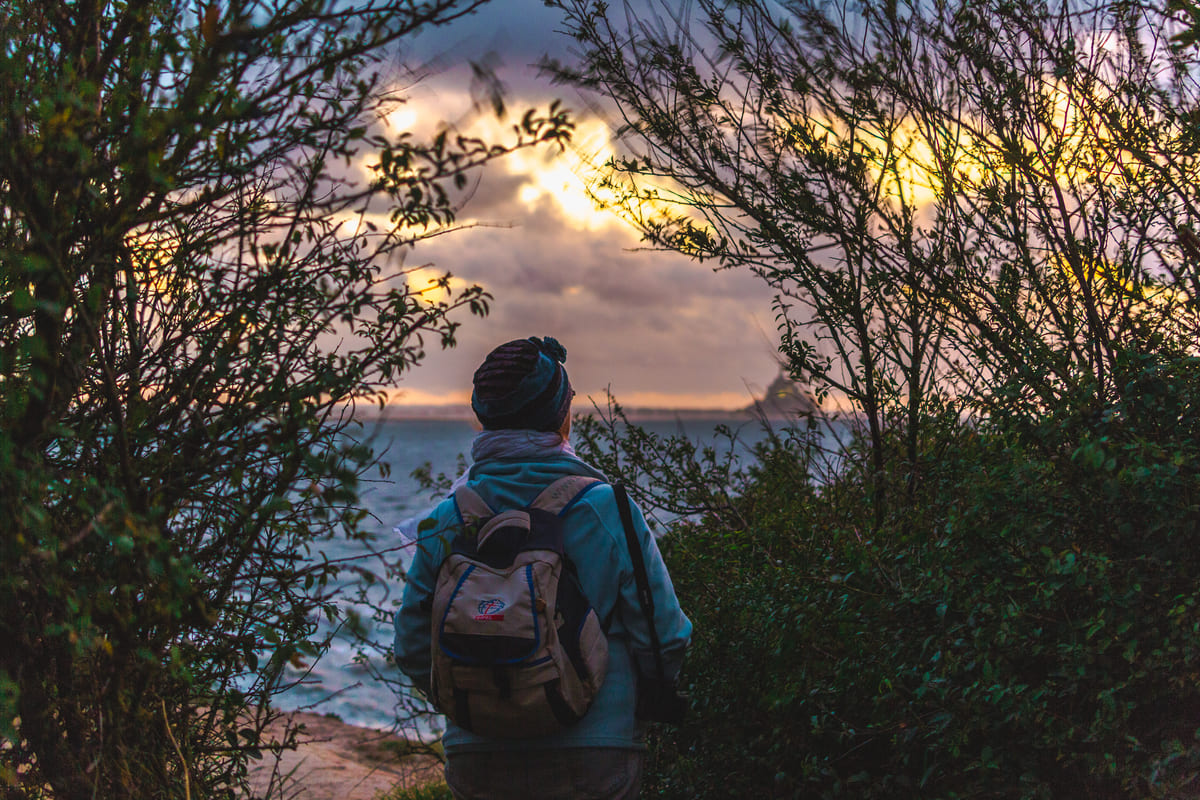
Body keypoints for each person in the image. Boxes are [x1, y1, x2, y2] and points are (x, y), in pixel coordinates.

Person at [393, 336, 692, 800]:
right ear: (560, 415)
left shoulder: (446, 518)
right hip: (595, 754)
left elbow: (412, 646)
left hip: (479, 756)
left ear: (483, 416)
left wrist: (481, 703)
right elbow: (664, 637)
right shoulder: (607, 509)